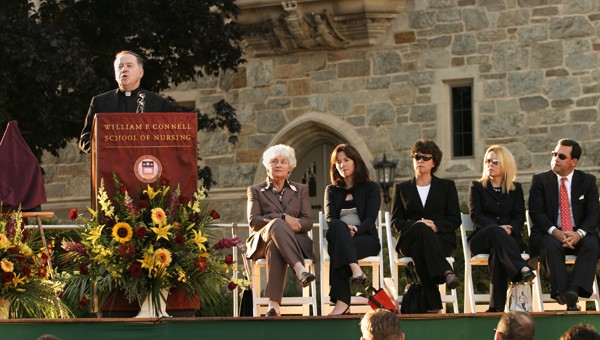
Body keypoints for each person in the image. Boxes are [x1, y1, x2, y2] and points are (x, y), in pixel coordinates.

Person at [528, 139, 600, 311]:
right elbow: (536, 213)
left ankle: (573, 290)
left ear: (573, 162)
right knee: (550, 245)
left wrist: (579, 234)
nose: (555, 159)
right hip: (550, 232)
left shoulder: (587, 181)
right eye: (554, 154)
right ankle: (564, 294)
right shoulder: (540, 181)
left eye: (561, 156)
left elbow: (594, 213)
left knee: (592, 244)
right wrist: (556, 232)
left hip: (578, 233)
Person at [391, 139, 461, 313]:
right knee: (419, 231)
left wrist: (436, 226)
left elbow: (454, 219)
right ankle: (445, 270)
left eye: (425, 157)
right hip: (408, 238)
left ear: (434, 162)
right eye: (417, 157)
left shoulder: (446, 186)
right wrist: (418, 225)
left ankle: (433, 304)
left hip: (440, 241)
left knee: (419, 247)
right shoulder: (402, 188)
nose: (420, 160)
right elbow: (396, 221)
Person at [245, 144, 315, 316]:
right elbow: (254, 221)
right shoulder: (255, 190)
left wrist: (296, 224)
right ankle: (300, 269)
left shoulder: (301, 190)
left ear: (289, 167)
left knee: (275, 246)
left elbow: (307, 222)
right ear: (267, 165)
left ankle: (274, 304)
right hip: (261, 241)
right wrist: (283, 218)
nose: (278, 165)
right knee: (277, 223)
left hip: (292, 242)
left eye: (283, 162)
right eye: (274, 161)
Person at [468, 145, 535, 312]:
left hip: (509, 240)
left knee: (498, 251)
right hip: (482, 239)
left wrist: (511, 229)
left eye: (495, 161)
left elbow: (519, 216)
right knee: (495, 232)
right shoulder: (476, 186)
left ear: (505, 164)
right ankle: (522, 268)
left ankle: (495, 308)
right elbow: (476, 215)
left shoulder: (515, 189)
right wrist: (498, 228)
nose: (490, 164)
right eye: (487, 161)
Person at [78, 50, 176, 154]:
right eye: (120, 67)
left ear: (141, 73)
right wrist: (105, 147)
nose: (124, 69)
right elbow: (85, 139)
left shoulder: (158, 103)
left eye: (129, 66)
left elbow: (169, 138)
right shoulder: (100, 102)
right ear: (115, 73)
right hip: (111, 166)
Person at [324, 144, 381, 315]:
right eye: (338, 162)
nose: (342, 165)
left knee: (338, 250)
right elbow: (330, 218)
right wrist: (344, 228)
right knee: (337, 225)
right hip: (341, 235)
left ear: (355, 162)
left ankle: (342, 304)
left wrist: (356, 229)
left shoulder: (371, 187)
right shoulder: (332, 190)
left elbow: (371, 218)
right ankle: (355, 269)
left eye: (346, 160)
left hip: (366, 238)